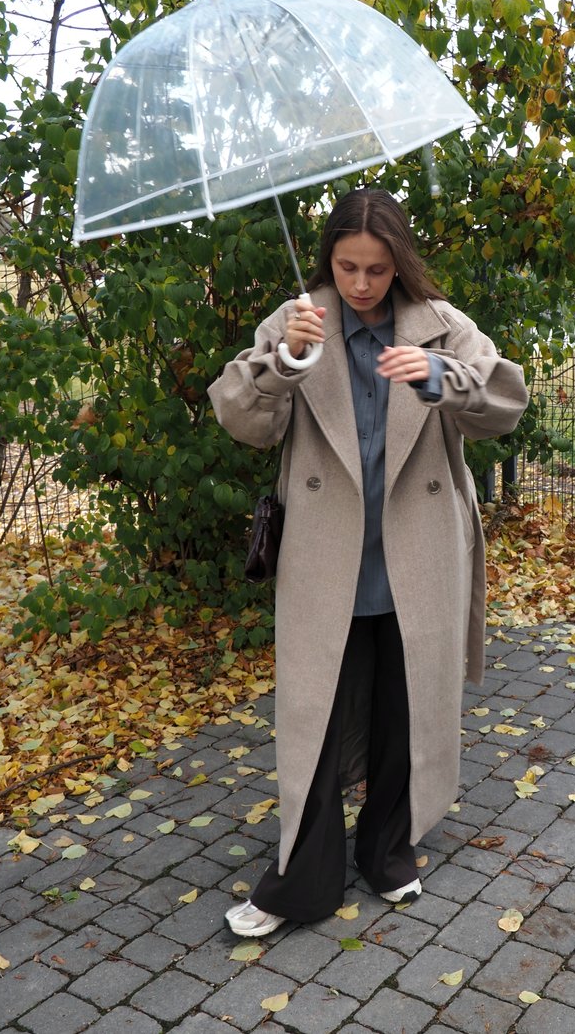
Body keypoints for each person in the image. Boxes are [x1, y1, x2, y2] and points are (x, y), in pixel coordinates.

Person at [207, 188, 529, 937]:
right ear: (328, 260)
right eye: (347, 266)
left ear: (399, 264)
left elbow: (506, 403)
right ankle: (301, 881)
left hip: (416, 551)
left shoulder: (441, 326)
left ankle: (389, 851)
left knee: (404, 709)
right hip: (328, 557)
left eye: (377, 269)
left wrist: (438, 376)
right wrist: (284, 362)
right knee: (313, 716)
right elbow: (241, 419)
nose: (360, 284)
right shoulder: (299, 323)